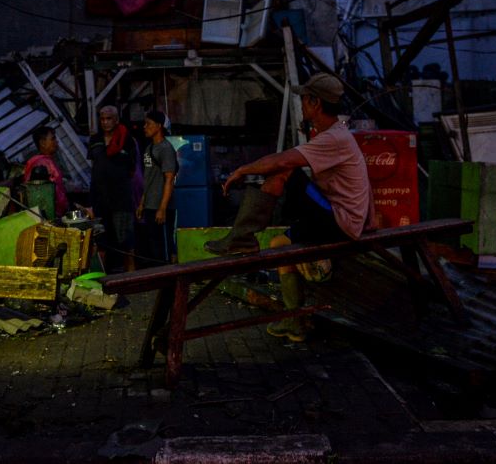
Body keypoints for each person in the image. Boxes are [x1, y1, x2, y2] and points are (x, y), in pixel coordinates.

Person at [212, 73, 372, 343]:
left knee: (284, 169)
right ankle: (295, 320)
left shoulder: (333, 138)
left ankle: (242, 237)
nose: (303, 104)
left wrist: (242, 169)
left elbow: (284, 160)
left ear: (314, 103)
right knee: (278, 243)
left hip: (340, 222)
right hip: (341, 217)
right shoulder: (333, 135)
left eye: (305, 100)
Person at [88, 104, 137, 273]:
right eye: (102, 119)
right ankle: (102, 277)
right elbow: (95, 166)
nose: (105, 122)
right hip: (100, 199)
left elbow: (132, 170)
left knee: (126, 240)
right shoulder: (95, 140)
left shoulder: (127, 140)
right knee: (101, 240)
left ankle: (132, 277)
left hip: (121, 199)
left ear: (116, 120)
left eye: (108, 118)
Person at [137, 110, 178, 267]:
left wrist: (162, 208)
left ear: (159, 126)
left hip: (162, 207)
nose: (144, 127)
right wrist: (142, 203)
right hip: (150, 205)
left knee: (165, 246)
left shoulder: (166, 149)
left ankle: (169, 277)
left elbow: (169, 179)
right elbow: (148, 179)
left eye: (148, 124)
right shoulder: (148, 149)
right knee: (154, 245)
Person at [23, 125, 69, 218]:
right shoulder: (42, 164)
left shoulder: (45, 161)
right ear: (43, 143)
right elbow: (44, 195)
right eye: (53, 139)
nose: (56, 141)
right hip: (50, 216)